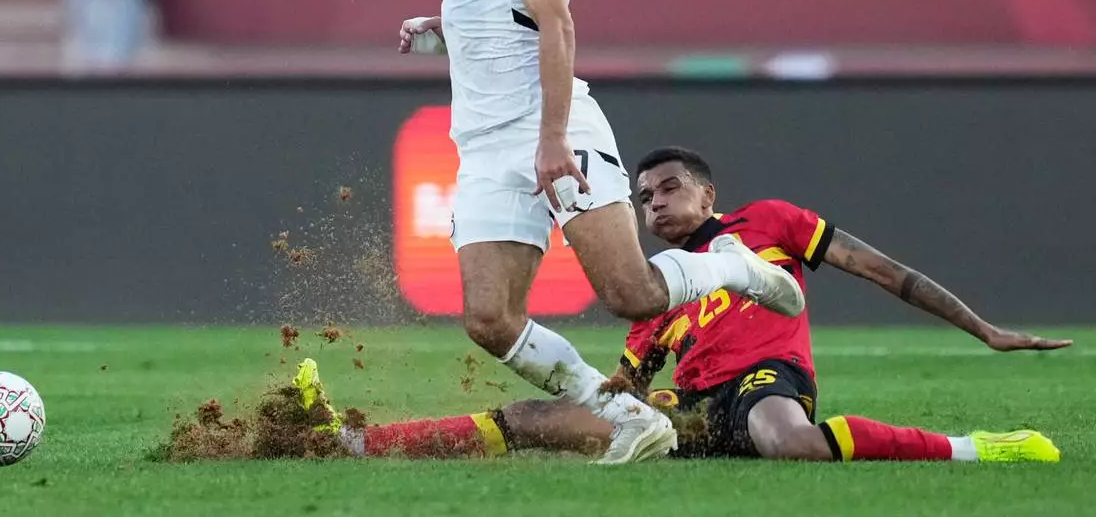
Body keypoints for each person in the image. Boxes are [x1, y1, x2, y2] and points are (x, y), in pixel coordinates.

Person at [397, 0, 805, 464]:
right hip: (487, 143)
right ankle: (625, 415)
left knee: (633, 295)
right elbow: (518, 19)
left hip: (546, 128)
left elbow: (557, 21)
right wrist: (447, 30)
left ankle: (731, 267)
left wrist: (553, 138)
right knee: (490, 318)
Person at [298, 146, 1069, 463]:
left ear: (709, 193)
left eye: (670, 188)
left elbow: (881, 270)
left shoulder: (768, 224)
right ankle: (352, 442)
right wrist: (623, 394)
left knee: (784, 437)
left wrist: (983, 328)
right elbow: (635, 377)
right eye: (642, 197)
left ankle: (981, 448)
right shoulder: (654, 288)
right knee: (534, 420)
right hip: (688, 406)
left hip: (768, 378)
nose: (655, 203)